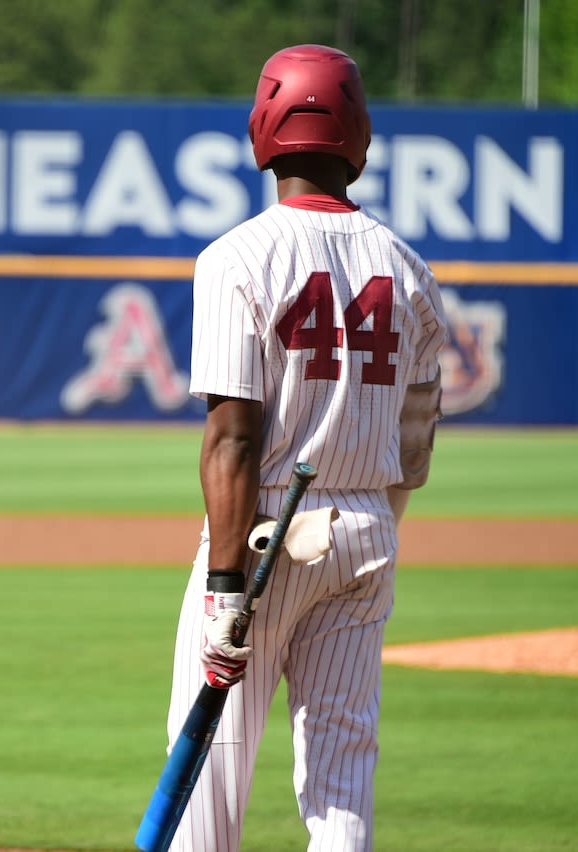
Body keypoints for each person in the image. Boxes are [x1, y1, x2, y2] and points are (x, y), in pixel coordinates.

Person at [163, 44, 447, 851]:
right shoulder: (409, 267)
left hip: (262, 544)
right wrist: (374, 523)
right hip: (367, 533)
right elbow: (417, 445)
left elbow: (232, 439)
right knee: (342, 779)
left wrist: (225, 592)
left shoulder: (236, 257)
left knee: (212, 775)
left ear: (264, 127)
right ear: (357, 133)